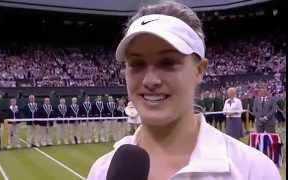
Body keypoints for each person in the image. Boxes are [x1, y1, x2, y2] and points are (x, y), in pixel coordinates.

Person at [87, 2, 280, 180]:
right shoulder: (102, 171)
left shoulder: (253, 170)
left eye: (168, 62)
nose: (150, 80)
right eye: (137, 64)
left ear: (199, 70)